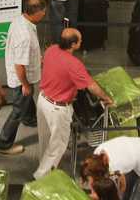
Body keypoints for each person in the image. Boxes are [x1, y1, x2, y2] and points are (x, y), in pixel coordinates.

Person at [34, 28, 114, 179]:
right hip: (57, 109)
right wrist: (106, 98)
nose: (81, 42)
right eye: (80, 40)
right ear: (73, 44)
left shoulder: (51, 50)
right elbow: (92, 86)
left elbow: (44, 63)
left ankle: (44, 167)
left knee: (45, 139)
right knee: (58, 145)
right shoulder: (74, 64)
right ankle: (41, 180)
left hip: (42, 100)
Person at [0, 0, 46, 155]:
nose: (45, 14)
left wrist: (36, 57)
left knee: (27, 98)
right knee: (18, 110)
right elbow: (20, 65)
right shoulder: (25, 35)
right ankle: (4, 144)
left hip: (23, 76)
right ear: (37, 12)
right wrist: (25, 84)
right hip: (21, 79)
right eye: (43, 11)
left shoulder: (20, 19)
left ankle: (30, 118)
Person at [81, 136, 140, 200]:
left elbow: (121, 182)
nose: (90, 182)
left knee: (137, 197)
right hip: (137, 150)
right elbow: (94, 180)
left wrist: (119, 193)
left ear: (100, 173)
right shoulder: (97, 154)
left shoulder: (114, 166)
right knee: (126, 193)